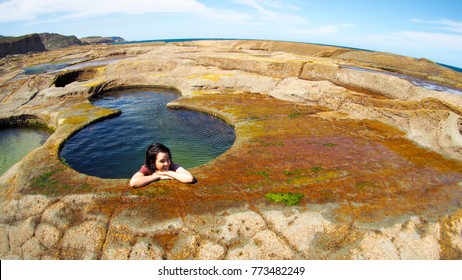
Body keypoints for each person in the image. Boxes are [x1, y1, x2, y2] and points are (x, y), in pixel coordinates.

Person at [129, 143, 196, 188]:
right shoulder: (147, 168)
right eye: (162, 161)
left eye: (168, 159)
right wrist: (158, 177)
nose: (166, 163)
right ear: (153, 162)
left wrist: (167, 172)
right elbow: (133, 182)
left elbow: (189, 178)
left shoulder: (172, 166)